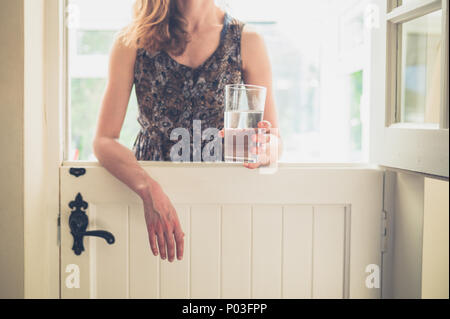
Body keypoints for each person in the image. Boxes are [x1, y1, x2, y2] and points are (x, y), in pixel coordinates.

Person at [93, 0, 281, 263]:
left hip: (222, 201)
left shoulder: (247, 41)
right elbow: (103, 140)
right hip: (150, 210)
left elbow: (274, 140)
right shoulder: (132, 42)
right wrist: (148, 190)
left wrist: (263, 148)